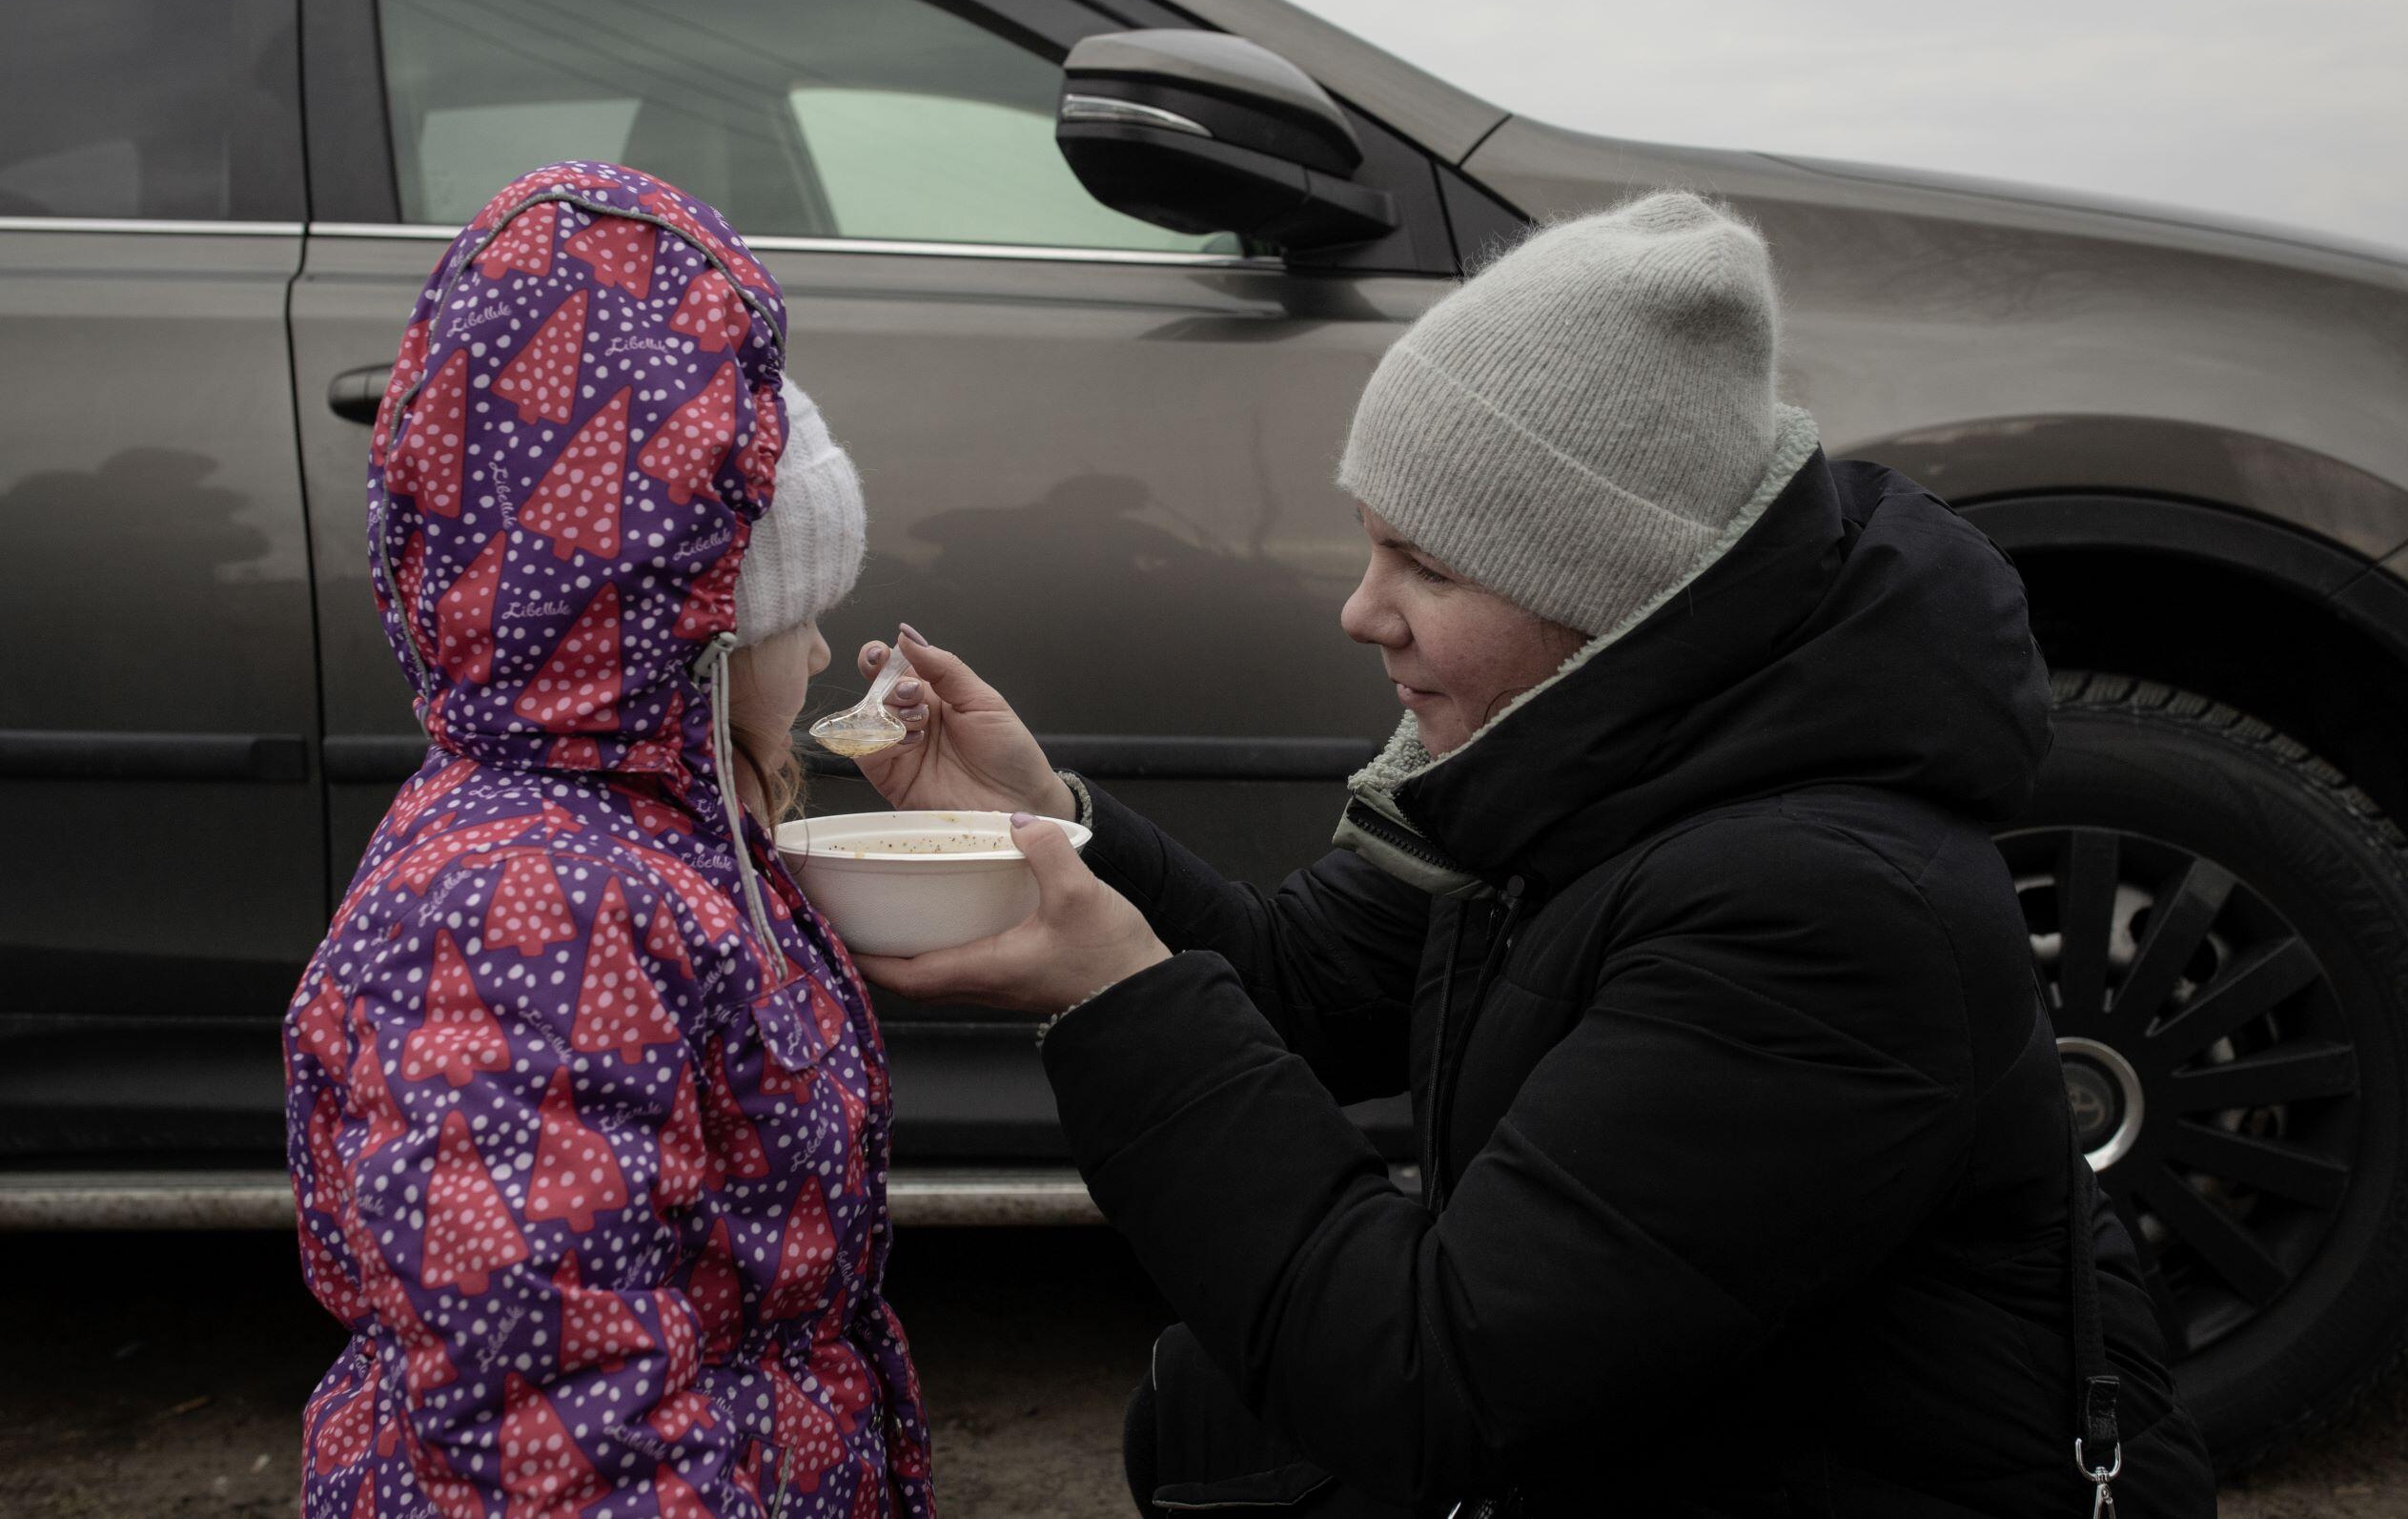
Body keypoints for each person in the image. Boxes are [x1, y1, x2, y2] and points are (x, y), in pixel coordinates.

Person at [847, 194, 2216, 1515]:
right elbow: (1298, 985)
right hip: (1678, 1445)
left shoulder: (1825, 918)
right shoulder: (1574, 765)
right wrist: (1050, 823)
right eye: (1371, 546)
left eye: (1425, 569)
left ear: (1612, 591)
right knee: (1207, 1411)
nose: (1358, 610)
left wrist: (1122, 1001)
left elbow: (1428, 1380)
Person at [281, 162, 935, 1517]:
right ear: (684, 627)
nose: (821, 649)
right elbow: (553, 1408)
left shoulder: (645, 845)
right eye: (794, 616)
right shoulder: (522, 911)